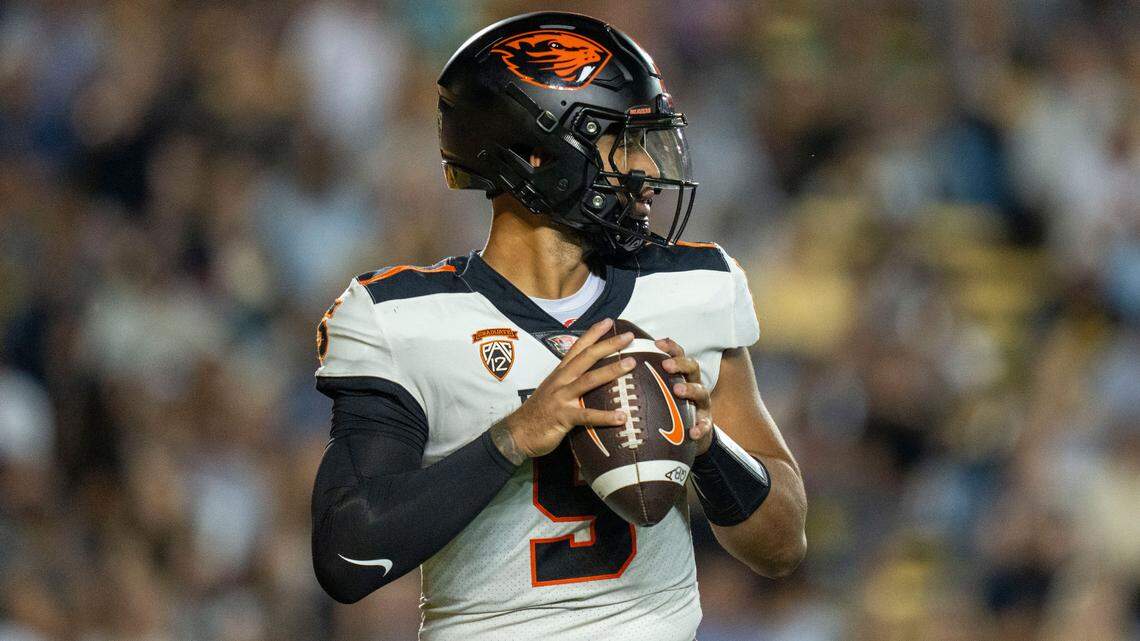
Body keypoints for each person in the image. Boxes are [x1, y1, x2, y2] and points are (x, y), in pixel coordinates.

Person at [310, 12, 806, 640]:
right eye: (620, 142)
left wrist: (709, 446)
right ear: (539, 157)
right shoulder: (401, 320)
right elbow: (348, 559)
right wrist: (513, 437)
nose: (646, 170)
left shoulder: (692, 289)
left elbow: (783, 545)